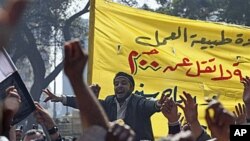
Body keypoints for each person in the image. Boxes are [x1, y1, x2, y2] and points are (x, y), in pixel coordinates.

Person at [45, 40, 166, 141]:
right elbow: (86, 103)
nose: (119, 86)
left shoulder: (138, 102)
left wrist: (158, 104)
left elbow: (149, 104)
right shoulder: (109, 102)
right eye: (116, 83)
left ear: (132, 87)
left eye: (124, 83)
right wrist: (61, 98)